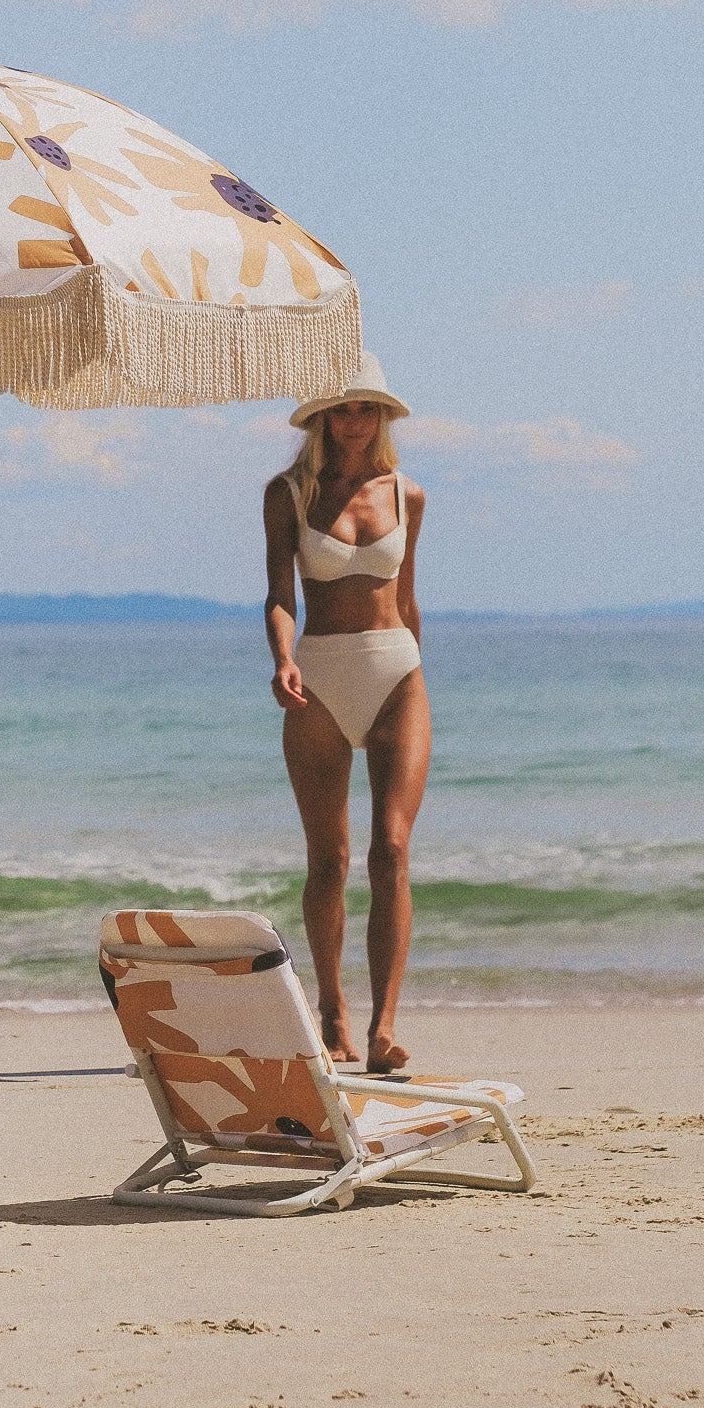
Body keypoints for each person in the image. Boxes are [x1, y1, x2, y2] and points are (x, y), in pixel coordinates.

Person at [263, 352, 428, 1073]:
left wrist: (416, 668)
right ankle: (332, 1012)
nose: (354, 419)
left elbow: (407, 596)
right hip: (319, 678)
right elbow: (278, 593)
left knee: (390, 849)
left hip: (396, 673)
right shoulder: (289, 493)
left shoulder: (407, 495)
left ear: (382, 416)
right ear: (322, 418)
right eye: (341, 407)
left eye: (366, 407)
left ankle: (383, 1025)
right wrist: (281, 656)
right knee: (327, 861)